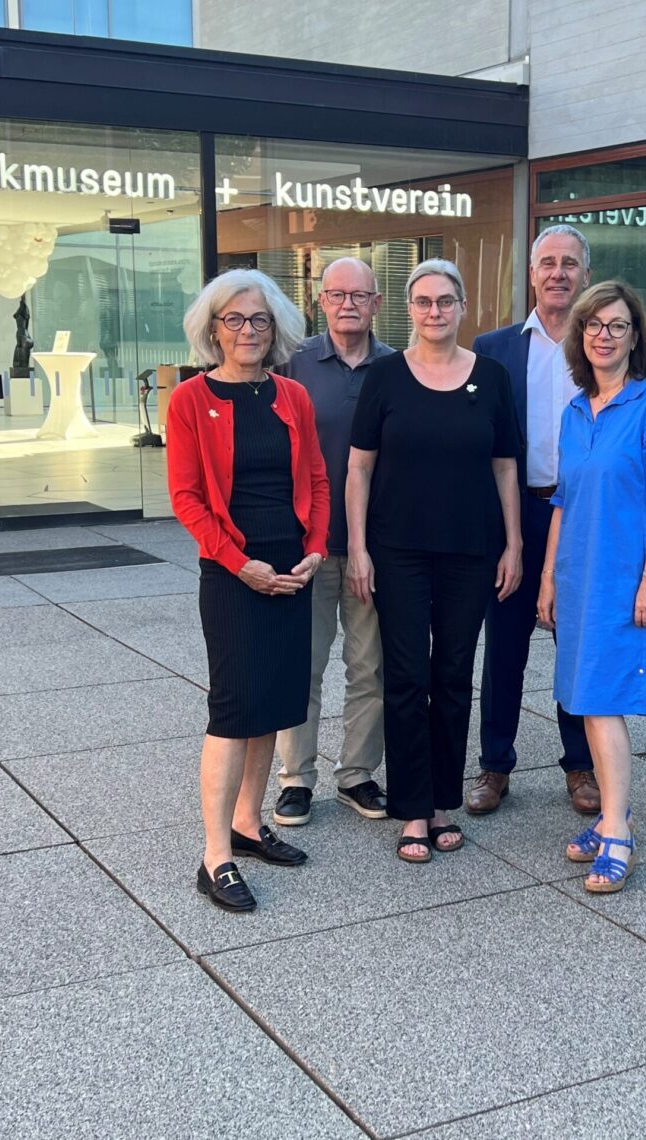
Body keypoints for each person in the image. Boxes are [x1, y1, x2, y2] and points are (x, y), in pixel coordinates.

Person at [347, 259, 522, 863]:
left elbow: (506, 466)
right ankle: (412, 809)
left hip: (472, 550)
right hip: (397, 550)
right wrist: (360, 548)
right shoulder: (385, 377)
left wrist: (515, 543)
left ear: (463, 306)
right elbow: (359, 467)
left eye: (446, 301)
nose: (434, 312)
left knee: (452, 675)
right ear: (409, 309)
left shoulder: (493, 377)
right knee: (404, 678)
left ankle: (443, 800)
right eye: (423, 302)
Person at [169, 268, 329, 912]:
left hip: (291, 570)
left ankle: (247, 822)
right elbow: (186, 499)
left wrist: (316, 549)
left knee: (274, 705)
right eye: (234, 320)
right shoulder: (189, 400)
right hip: (234, 576)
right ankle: (215, 856)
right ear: (213, 329)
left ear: (277, 327)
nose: (247, 331)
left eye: (259, 319)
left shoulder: (292, 396)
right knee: (234, 711)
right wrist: (240, 564)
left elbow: (316, 479)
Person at [537, 281, 646, 893]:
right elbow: (563, 502)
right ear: (580, 337)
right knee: (581, 698)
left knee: (601, 702)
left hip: (624, 581)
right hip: (576, 578)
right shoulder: (574, 411)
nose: (604, 335)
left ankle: (619, 830)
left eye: (617, 325)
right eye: (593, 325)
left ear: (634, 336)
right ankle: (607, 818)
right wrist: (547, 578)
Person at [468, 224, 598, 817]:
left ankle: (581, 766)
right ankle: (495, 766)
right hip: (513, 513)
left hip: (582, 518)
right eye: (548, 262)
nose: (558, 273)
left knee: (575, 644)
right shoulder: (492, 349)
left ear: (585, 275)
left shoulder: (603, 343)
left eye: (570, 263)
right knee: (505, 647)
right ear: (531, 273)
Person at [273, 258, 394, 827]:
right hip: (309, 548)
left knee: (369, 668)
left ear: (376, 302)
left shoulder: (399, 368)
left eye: (360, 295)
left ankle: (358, 775)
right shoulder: (291, 365)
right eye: (337, 294)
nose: (349, 304)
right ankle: (296, 778)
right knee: (303, 665)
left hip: (374, 545)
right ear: (320, 301)